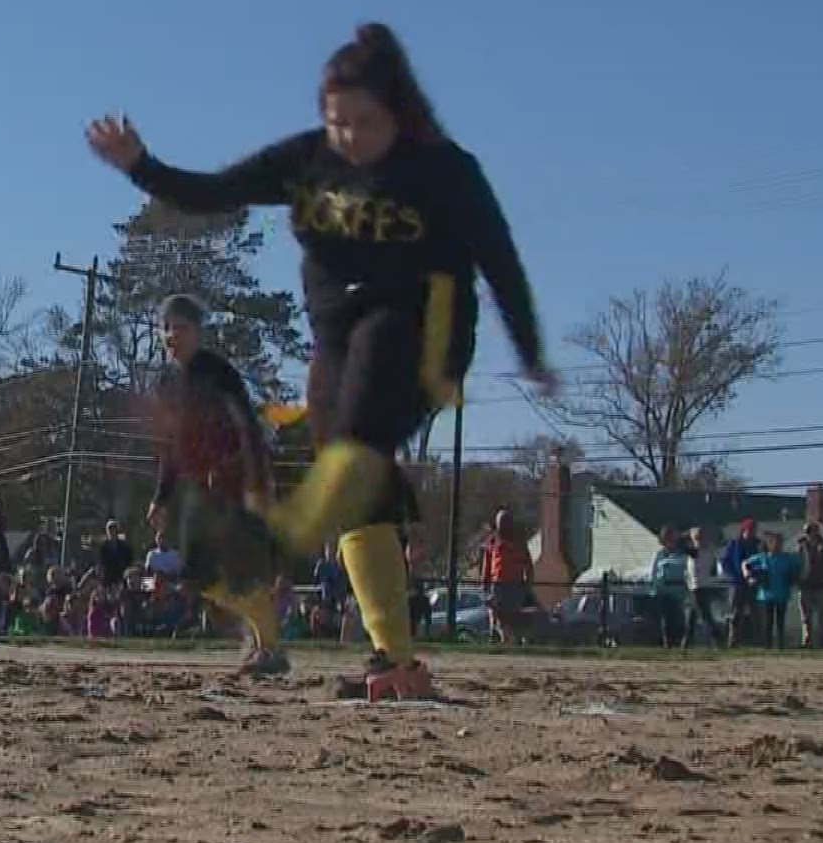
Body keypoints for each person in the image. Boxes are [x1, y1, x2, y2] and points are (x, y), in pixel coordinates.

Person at [88, 21, 555, 699]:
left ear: (398, 112)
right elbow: (218, 191)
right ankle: (395, 661)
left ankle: (282, 539)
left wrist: (532, 348)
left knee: (362, 418)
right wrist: (140, 165)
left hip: (425, 331)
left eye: (365, 123)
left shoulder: (445, 171)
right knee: (358, 486)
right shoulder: (311, 159)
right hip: (337, 339)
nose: (350, 139)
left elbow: (501, 262)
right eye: (337, 122)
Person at [143, 294, 288, 675]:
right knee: (200, 574)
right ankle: (262, 635)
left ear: (198, 331)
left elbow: (246, 426)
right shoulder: (170, 384)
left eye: (181, 327)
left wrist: (241, 472)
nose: (172, 336)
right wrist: (161, 497)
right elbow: (172, 447)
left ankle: (269, 647)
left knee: (227, 569)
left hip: (232, 481)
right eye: (166, 328)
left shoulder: (217, 372)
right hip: (198, 487)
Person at [480, 507, 533, 648]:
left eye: (506, 521)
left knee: (513, 615)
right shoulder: (492, 542)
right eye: (501, 522)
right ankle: (499, 639)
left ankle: (515, 642)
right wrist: (484, 585)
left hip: (515, 583)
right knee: (497, 613)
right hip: (498, 583)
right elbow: (487, 565)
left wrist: (527, 584)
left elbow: (528, 564)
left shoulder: (519, 542)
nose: (503, 525)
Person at [743, 532, 801, 649]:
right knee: (768, 621)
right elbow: (745, 563)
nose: (777, 545)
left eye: (779, 543)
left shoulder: (787, 558)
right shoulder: (762, 557)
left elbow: (798, 567)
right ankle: (767, 645)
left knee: (780, 621)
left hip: (782, 593)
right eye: (774, 543)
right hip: (766, 594)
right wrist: (748, 575)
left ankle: (780, 645)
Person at [794, 521, 823, 649]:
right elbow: (795, 566)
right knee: (806, 618)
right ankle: (807, 642)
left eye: (812, 531)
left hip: (822, 586)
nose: (810, 534)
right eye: (808, 532)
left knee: (822, 618)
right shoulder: (800, 548)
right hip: (805, 586)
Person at [719, 519, 762, 649]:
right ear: (744, 530)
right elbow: (726, 562)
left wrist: (756, 576)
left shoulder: (758, 544)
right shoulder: (735, 544)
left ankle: (759, 640)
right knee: (735, 613)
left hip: (753, 583)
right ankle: (733, 640)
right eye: (750, 529)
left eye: (754, 530)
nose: (752, 532)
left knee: (756, 612)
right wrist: (735, 575)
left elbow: (762, 561)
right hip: (737, 583)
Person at [650, 525, 691, 649]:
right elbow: (654, 572)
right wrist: (655, 588)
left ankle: (682, 643)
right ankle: (667, 643)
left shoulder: (684, 553)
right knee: (667, 619)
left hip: (680, 590)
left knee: (681, 618)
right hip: (664, 590)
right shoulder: (660, 554)